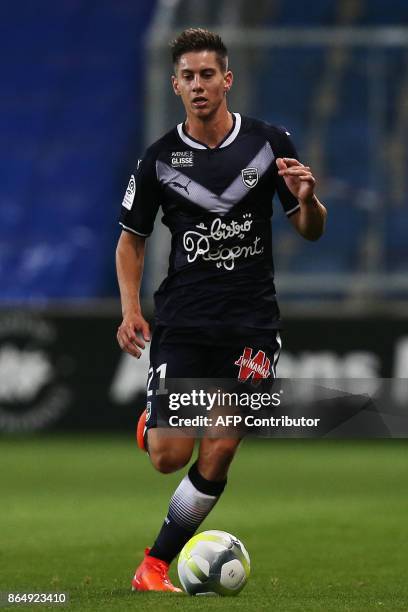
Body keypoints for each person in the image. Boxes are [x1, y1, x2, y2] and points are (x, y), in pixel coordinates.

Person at [116, 28, 327, 592]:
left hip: (253, 322)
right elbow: (131, 239)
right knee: (167, 457)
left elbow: (309, 230)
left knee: (224, 442)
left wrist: (308, 200)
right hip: (184, 320)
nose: (198, 85)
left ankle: (154, 565)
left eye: (208, 74)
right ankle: (153, 425)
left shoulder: (270, 143)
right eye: (188, 76)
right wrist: (130, 309)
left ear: (227, 80)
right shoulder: (159, 158)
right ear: (175, 85)